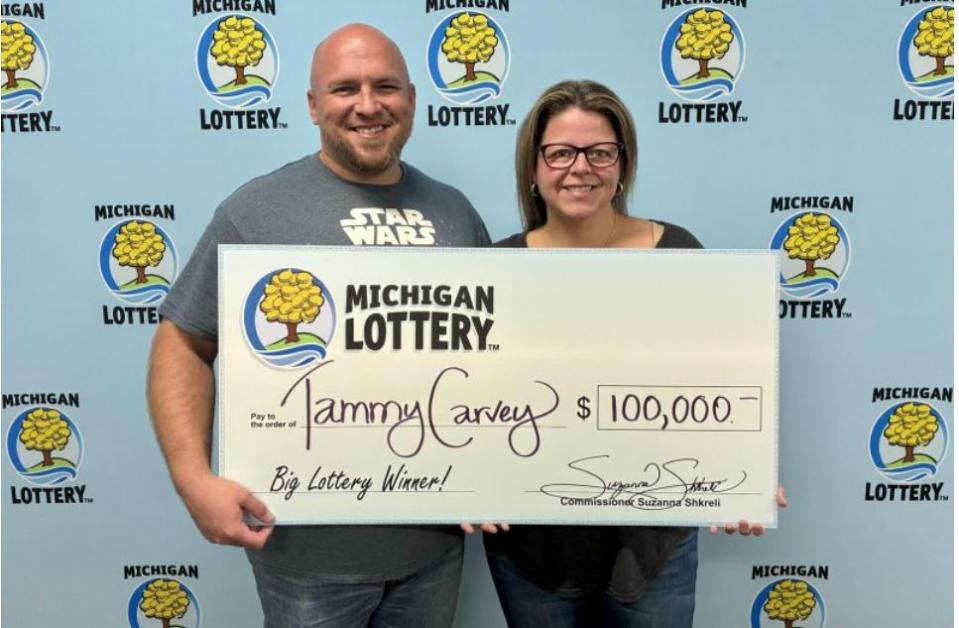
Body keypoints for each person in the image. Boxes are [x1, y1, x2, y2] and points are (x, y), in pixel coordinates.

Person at [147, 24, 490, 628]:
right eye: (344, 89)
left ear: (411, 99)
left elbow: (494, 360)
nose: (368, 105)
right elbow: (184, 342)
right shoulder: (255, 211)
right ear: (312, 105)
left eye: (385, 86)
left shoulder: (455, 212)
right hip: (304, 560)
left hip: (433, 551)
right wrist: (191, 479)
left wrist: (502, 471)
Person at [481, 79, 785, 628]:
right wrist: (463, 481)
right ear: (533, 167)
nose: (581, 167)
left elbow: (720, 380)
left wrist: (744, 474)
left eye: (600, 152)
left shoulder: (678, 253)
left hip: (652, 542)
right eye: (560, 152)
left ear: (622, 164)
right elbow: (472, 400)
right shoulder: (494, 270)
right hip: (532, 548)